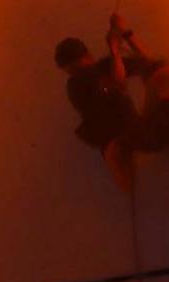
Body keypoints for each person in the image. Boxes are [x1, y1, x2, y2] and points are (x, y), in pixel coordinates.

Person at [54, 14, 163, 188]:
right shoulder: (76, 83)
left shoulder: (104, 66)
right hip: (115, 140)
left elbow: (150, 64)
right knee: (121, 160)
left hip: (134, 130)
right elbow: (117, 83)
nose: (75, 71)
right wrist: (114, 49)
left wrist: (125, 33)